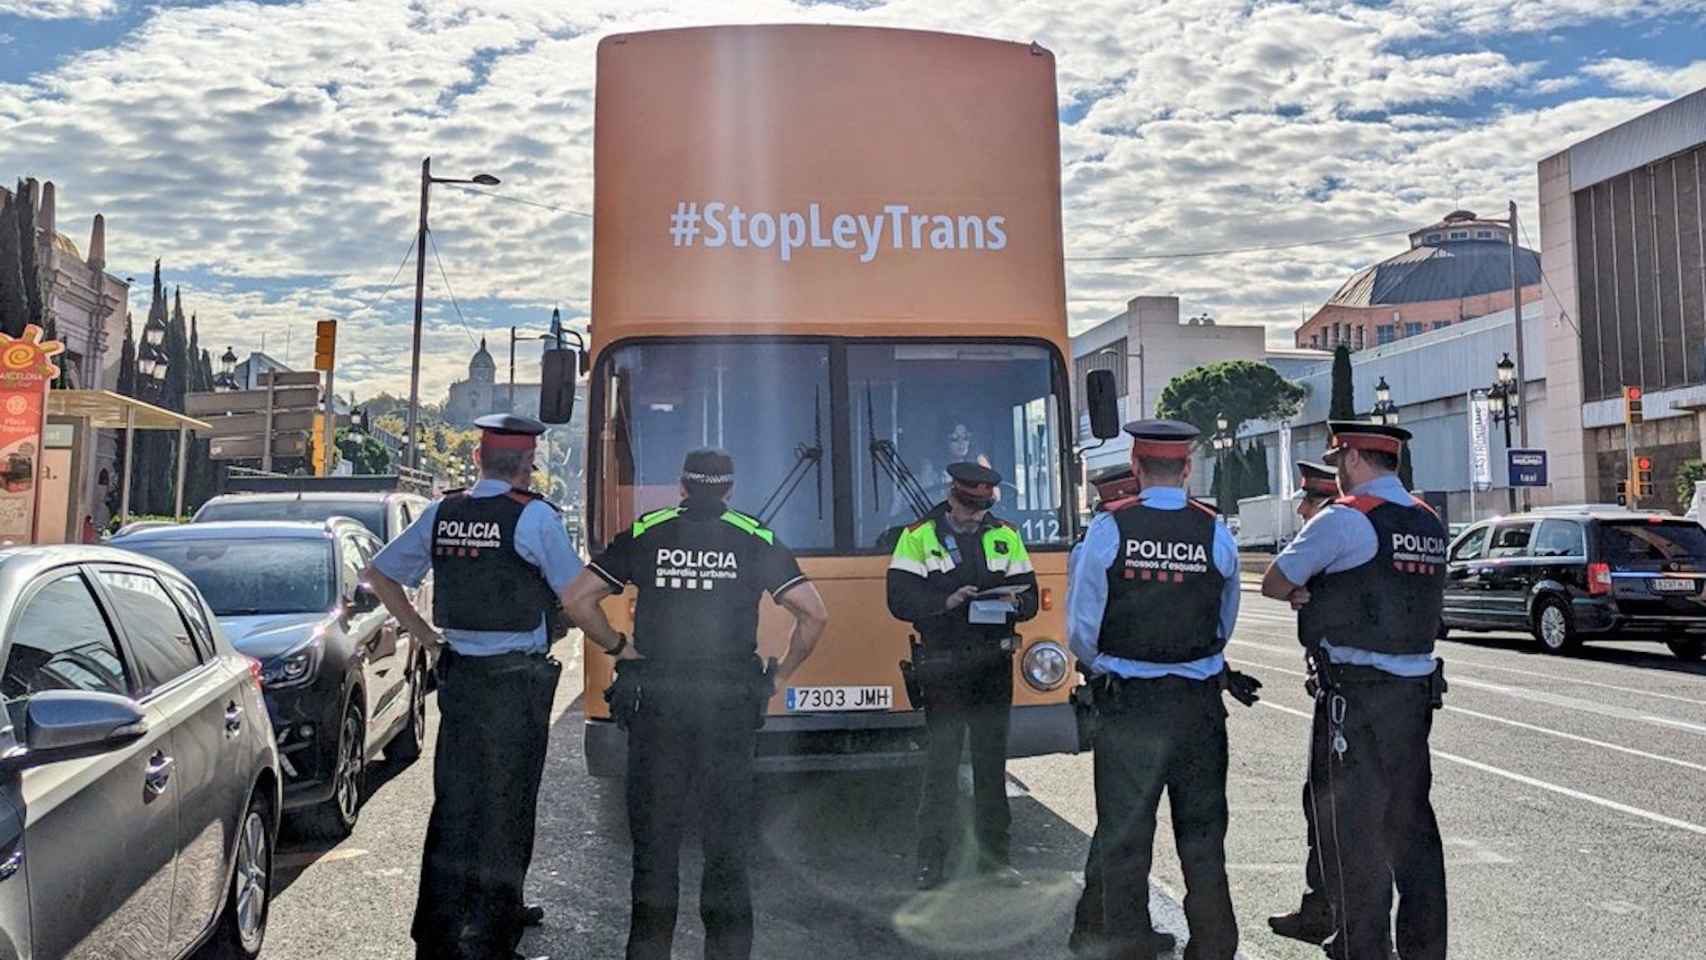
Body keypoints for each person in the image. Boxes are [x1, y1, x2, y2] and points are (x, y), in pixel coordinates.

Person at [564, 448, 829, 960]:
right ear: (730, 489)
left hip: (657, 706)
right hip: (728, 708)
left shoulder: (649, 531)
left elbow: (578, 599)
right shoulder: (754, 536)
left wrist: (619, 647)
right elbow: (814, 615)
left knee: (656, 849)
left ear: (682, 487)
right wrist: (781, 675)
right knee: (726, 849)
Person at [364, 413, 580, 960]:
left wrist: (429, 639)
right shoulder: (533, 519)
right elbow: (576, 594)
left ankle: (436, 934)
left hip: (460, 676)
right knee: (507, 808)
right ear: (526, 465)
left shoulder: (444, 511)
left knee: (455, 804)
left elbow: (380, 574)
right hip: (517, 682)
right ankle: (494, 933)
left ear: (479, 459)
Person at [1066, 420, 1257, 960]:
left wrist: (1109, 662)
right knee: (1202, 837)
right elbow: (1226, 619)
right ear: (1188, 468)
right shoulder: (1215, 531)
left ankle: (1128, 945)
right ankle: (1215, 946)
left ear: (1136, 467)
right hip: (1198, 706)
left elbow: (1082, 626)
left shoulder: (1110, 530)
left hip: (1130, 705)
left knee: (1125, 836)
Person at [1261, 422, 1449, 960]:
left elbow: (1276, 579)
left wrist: (1304, 592)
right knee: (1413, 832)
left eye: (1339, 458)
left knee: (1353, 831)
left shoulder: (1346, 518)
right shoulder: (1426, 520)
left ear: (1353, 459)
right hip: (1414, 695)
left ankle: (1362, 949)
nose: (1337, 469)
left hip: (1356, 696)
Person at [888, 460, 1038, 891]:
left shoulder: (1005, 534)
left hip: (993, 665)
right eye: (970, 506)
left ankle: (996, 860)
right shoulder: (918, 537)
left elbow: (1029, 596)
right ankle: (929, 863)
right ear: (953, 496)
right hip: (944, 665)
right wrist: (947, 600)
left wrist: (1013, 603)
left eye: (983, 506)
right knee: (941, 765)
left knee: (992, 767)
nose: (976, 515)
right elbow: (898, 599)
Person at [1268, 458, 1358, 946]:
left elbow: (1277, 582)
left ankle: (1337, 917)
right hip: (1333, 683)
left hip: (1346, 696)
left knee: (1331, 805)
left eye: (1307, 500)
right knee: (1322, 804)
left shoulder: (1332, 541)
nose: (1301, 509)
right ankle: (1322, 907)